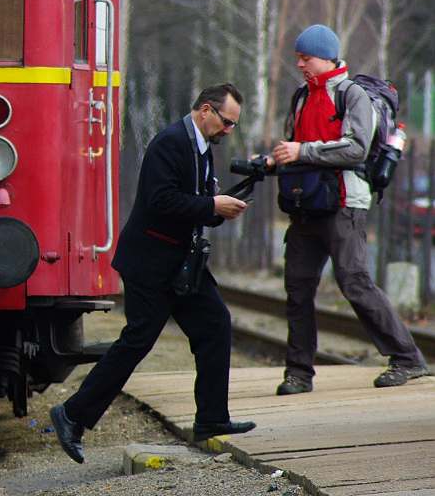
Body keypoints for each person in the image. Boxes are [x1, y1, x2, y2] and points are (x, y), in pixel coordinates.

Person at [50, 84, 255, 463]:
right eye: (226, 122)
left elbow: (192, 205)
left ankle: (211, 419)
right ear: (205, 110)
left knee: (215, 326)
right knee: (137, 341)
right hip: (150, 263)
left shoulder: (202, 147)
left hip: (181, 263)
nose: (229, 130)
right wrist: (212, 204)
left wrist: (220, 209)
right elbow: (161, 201)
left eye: (232, 125)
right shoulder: (170, 143)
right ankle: (71, 415)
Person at [271, 24, 428, 395]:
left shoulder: (352, 96)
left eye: (305, 57)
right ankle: (298, 372)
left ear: (326, 56)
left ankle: (407, 358)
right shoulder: (300, 97)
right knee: (298, 286)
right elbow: (295, 145)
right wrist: (272, 160)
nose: (300, 64)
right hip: (306, 204)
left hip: (344, 203)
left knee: (353, 281)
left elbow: (356, 148)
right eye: (297, 57)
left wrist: (302, 152)